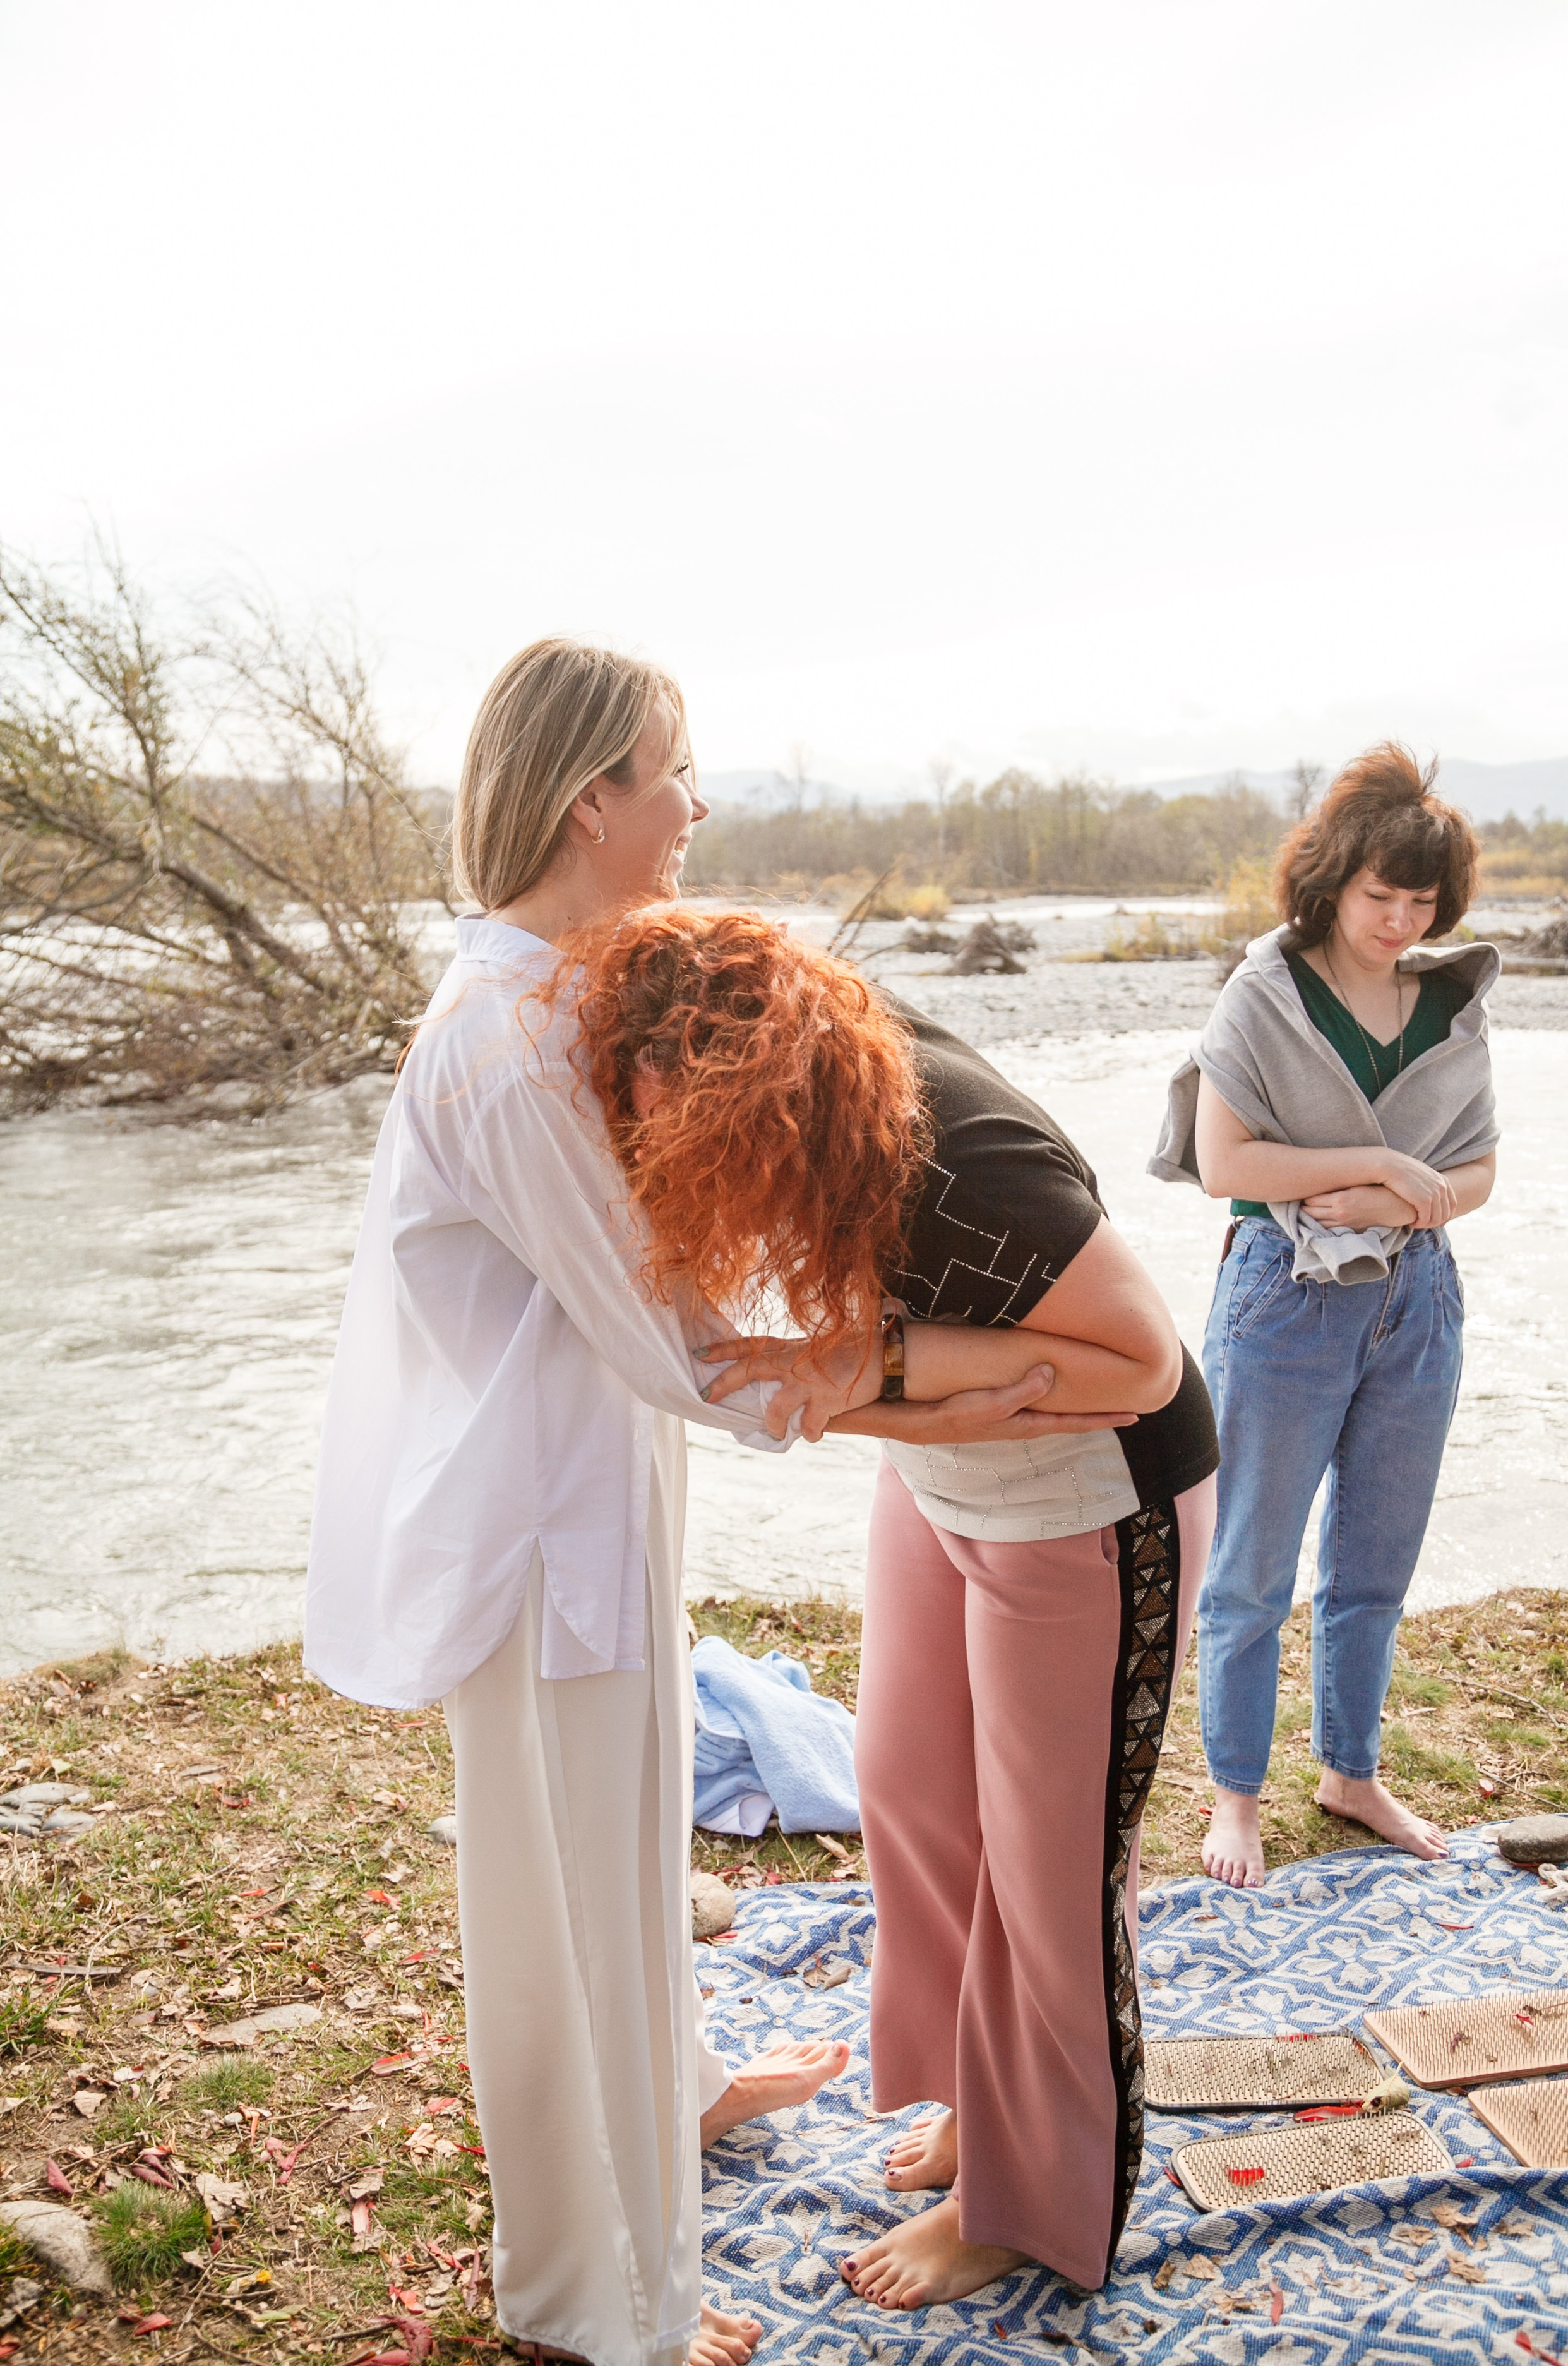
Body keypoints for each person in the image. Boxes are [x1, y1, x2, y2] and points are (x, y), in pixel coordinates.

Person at [303, 640, 1087, 2366]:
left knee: (621, 1847)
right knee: (561, 1894)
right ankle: (600, 2298)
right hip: (537, 1524)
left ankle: (683, 2094)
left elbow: (672, 1275)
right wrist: (935, 1380)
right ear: (593, 799)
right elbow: (675, 1347)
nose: (696, 804)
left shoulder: (561, 990)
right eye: (675, 769)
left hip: (590, 1490)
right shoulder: (509, 1040)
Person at [539, 904, 1221, 2307]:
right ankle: (979, 2105)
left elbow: (1142, 1364)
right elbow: (874, 1379)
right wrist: (902, 1394)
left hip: (1093, 1505)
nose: (631, 1134)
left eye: (642, 1104)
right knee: (908, 1792)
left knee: (1051, 1871)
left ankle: (1026, 2205)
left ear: (725, 1082)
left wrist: (874, 1368)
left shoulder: (955, 1159)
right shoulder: (814, 1123)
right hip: (948, 1477)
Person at [1151, 745, 1499, 1890]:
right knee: (1251, 1563)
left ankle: (1350, 1772)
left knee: (1375, 1562)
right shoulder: (1263, 993)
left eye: (1422, 901)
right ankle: (1236, 1794)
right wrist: (1384, 1165)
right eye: (1379, 896)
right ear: (1333, 881)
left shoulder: (1450, 1005)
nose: (1400, 920)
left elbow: (1480, 1171)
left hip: (1419, 1298)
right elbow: (1223, 1164)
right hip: (1284, 1297)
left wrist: (1399, 1194)